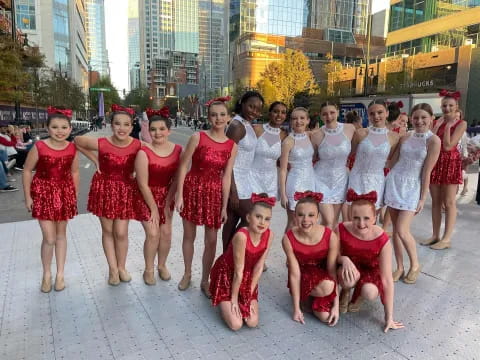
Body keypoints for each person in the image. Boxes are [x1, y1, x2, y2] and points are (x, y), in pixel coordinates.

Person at [175, 99, 237, 297]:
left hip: (214, 194)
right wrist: (179, 194)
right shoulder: (197, 137)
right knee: (189, 236)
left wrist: (224, 206)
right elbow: (183, 165)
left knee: (211, 241)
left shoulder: (231, 145)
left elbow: (227, 176)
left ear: (228, 118)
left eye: (222, 114)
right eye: (214, 114)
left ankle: (205, 279)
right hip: (193, 189)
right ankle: (186, 274)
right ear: (208, 117)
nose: (218, 118)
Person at [75, 104, 141, 285]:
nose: (122, 128)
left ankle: (122, 267)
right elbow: (77, 141)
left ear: (131, 126)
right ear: (111, 125)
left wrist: (137, 170)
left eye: (126, 124)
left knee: (121, 232)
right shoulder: (102, 143)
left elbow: (152, 155)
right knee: (108, 230)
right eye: (117, 124)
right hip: (104, 189)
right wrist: (95, 159)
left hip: (125, 190)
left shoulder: (137, 145)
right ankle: (112, 269)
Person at [22, 106, 79, 292]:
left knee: (61, 235)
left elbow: (75, 171)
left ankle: (60, 274)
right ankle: (47, 274)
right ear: (47, 128)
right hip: (43, 193)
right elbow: (27, 170)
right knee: (49, 237)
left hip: (63, 193)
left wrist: (74, 195)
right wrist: (28, 196)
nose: (60, 131)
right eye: (55, 127)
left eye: (64, 127)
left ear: (70, 129)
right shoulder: (40, 147)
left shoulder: (72, 148)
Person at [384, 104, 441, 284]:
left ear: (431, 118)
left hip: (412, 186)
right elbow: (392, 161)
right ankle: (399, 266)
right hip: (395, 182)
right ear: (410, 118)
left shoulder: (433, 141)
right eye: (416, 117)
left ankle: (415, 265)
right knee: (394, 229)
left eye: (423, 117)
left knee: (402, 229)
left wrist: (423, 197)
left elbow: (427, 171)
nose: (419, 121)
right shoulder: (405, 136)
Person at [337, 189, 404, 333]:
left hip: (371, 271)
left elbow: (387, 279)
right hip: (349, 267)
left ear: (374, 218)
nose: (361, 223)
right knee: (347, 278)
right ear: (350, 216)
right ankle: (346, 291)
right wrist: (344, 259)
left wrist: (389, 317)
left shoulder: (382, 239)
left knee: (370, 292)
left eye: (366, 218)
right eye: (356, 218)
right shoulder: (341, 229)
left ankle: (359, 296)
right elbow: (331, 256)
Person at [209, 193, 274, 331]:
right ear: (249, 218)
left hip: (247, 277)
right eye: (258, 217)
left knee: (252, 322)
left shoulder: (269, 235)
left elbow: (259, 266)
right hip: (228, 276)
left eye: (267, 219)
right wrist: (234, 300)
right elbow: (238, 272)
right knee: (236, 324)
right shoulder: (241, 236)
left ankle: (238, 302)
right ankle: (223, 302)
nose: (262, 222)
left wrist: (248, 295)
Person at [135, 107, 182, 285]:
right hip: (146, 197)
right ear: (148, 131)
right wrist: (154, 208)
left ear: (169, 130)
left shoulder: (178, 150)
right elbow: (142, 184)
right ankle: (148, 269)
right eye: (153, 129)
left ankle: (161, 265)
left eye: (162, 129)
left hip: (166, 194)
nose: (157, 132)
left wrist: (169, 200)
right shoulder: (143, 152)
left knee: (166, 233)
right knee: (153, 233)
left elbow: (178, 178)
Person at [283, 191, 340, 326]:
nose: (305, 220)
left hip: (323, 277)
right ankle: (304, 298)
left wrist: (336, 307)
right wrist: (296, 309)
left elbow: (332, 271)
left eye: (311, 215)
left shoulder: (329, 236)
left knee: (326, 317)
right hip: (303, 277)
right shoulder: (288, 238)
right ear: (295, 216)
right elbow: (294, 274)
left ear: (318, 217)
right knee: (327, 286)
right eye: (301, 215)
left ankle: (311, 300)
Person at [422, 90, 467, 250]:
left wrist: (447, 127)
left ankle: (446, 238)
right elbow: (429, 142)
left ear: (456, 107)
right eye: (444, 105)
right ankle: (435, 235)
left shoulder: (461, 124)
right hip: (435, 162)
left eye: (450, 105)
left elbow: (448, 146)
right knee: (435, 202)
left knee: (449, 202)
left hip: (450, 163)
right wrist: (438, 126)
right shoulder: (437, 122)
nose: (447, 108)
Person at [222, 92, 264, 250]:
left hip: (245, 180)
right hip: (235, 181)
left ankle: (227, 259)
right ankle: (231, 252)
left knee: (231, 221)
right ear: (242, 103)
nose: (254, 111)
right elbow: (227, 160)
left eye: (258, 109)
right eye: (251, 106)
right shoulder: (236, 126)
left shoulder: (247, 124)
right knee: (251, 217)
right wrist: (232, 191)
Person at [348, 99, 400, 211]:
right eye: (372, 113)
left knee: (371, 218)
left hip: (377, 181)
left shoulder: (394, 137)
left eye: (380, 112)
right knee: (354, 215)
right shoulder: (360, 133)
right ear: (368, 115)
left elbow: (390, 160)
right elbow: (349, 154)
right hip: (357, 179)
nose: (376, 116)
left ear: (387, 113)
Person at [311, 102, 355, 229]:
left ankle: (330, 247)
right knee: (328, 220)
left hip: (341, 179)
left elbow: (356, 149)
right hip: (321, 179)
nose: (329, 117)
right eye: (325, 114)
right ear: (320, 116)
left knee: (334, 221)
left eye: (332, 113)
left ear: (337, 112)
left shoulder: (349, 129)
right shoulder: (316, 135)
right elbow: (313, 157)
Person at [280, 107, 315, 231]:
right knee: (294, 221)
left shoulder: (310, 136)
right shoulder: (288, 141)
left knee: (309, 220)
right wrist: (283, 194)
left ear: (308, 120)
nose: (298, 121)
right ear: (290, 121)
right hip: (295, 183)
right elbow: (283, 170)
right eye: (294, 118)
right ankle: (288, 249)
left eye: (302, 118)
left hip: (311, 182)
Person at [250, 101, 288, 198]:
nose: (279, 115)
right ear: (269, 113)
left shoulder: (284, 135)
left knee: (267, 211)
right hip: (252, 177)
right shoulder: (257, 129)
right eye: (276, 111)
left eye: (283, 112)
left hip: (271, 180)